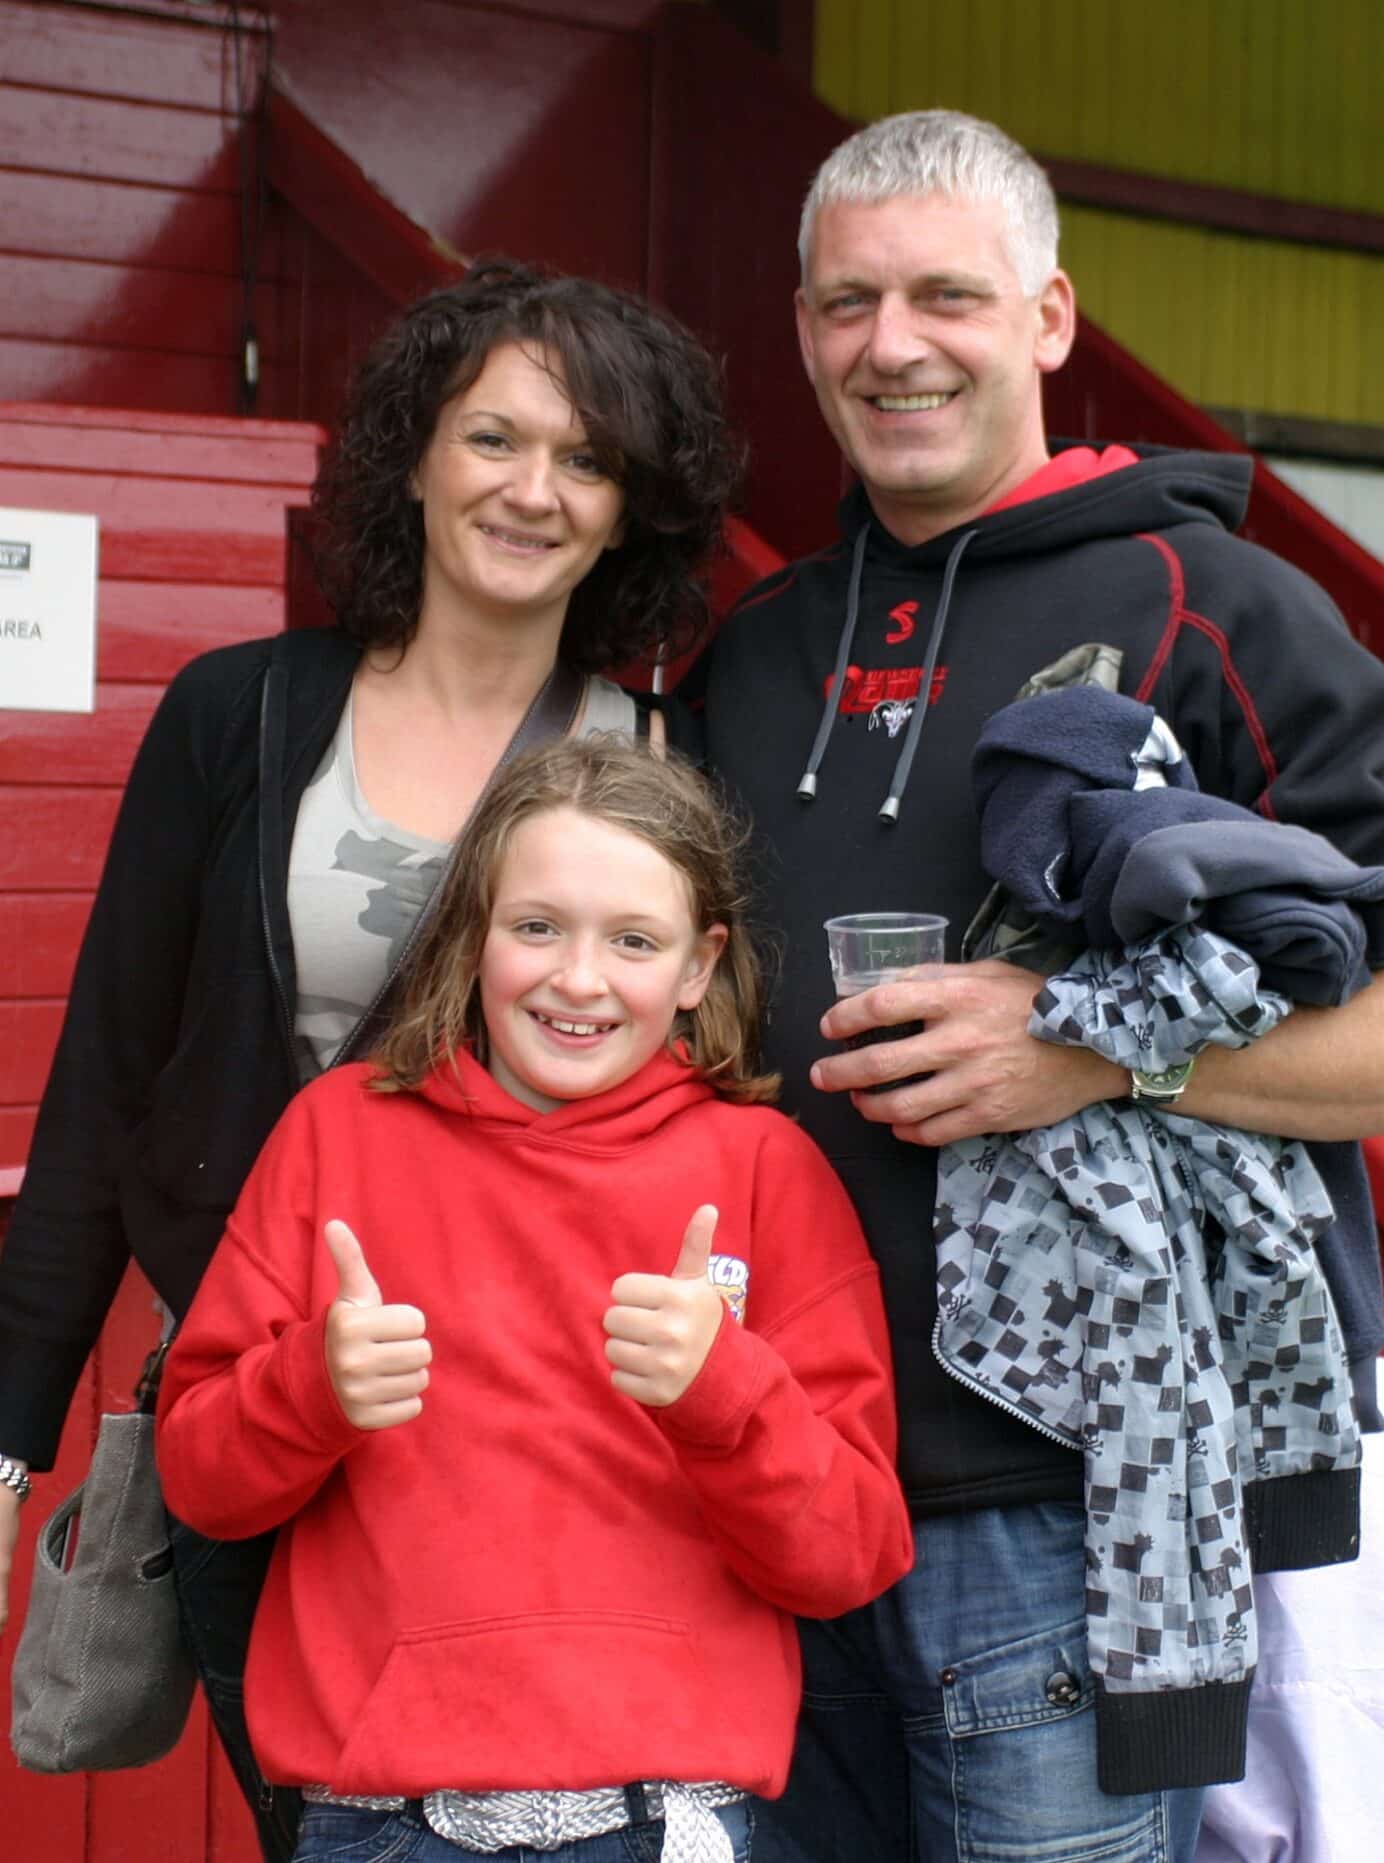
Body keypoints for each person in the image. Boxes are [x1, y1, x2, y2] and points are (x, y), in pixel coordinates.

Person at [675, 109, 1384, 1863]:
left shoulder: (1223, 608)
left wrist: (1091, 1055)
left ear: (1047, 318)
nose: (889, 344)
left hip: (1072, 1515)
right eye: (845, 304)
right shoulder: (749, 652)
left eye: (943, 296)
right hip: (770, 1478)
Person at [0, 257, 740, 1861]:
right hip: (261, 1395)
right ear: (414, 454)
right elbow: (107, 1073)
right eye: (496, 438)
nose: (534, 490)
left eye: (590, 457)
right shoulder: (237, 713)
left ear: (631, 510)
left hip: (529, 1445)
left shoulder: (664, 754)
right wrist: (10, 1417)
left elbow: (719, 1104)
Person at [154, 735, 915, 1863]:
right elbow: (202, 1484)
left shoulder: (767, 1169)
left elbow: (850, 1555)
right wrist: (309, 1387)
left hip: (668, 1817)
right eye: (537, 926)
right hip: (385, 1822)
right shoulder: (338, 1132)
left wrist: (723, 1394)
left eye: (634, 941)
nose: (578, 979)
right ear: (472, 934)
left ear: (699, 968)